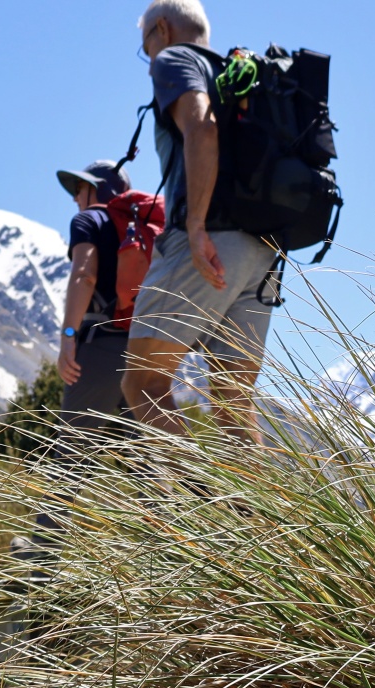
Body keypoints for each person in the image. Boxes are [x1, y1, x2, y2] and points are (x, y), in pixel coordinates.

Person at [121, 0, 278, 441]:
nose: (148, 57)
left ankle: (194, 509)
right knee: (233, 401)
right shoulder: (237, 75)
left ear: (163, 30)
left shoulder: (174, 59)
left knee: (144, 385)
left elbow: (201, 127)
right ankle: (254, 514)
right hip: (263, 250)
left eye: (145, 45)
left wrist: (194, 225)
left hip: (210, 241)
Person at [54, 159, 135, 437]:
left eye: (79, 188)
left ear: (99, 190)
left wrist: (68, 336)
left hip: (101, 345)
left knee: (71, 460)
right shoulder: (140, 228)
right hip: (146, 348)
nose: (76, 198)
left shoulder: (88, 219)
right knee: (147, 463)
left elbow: (84, 276)